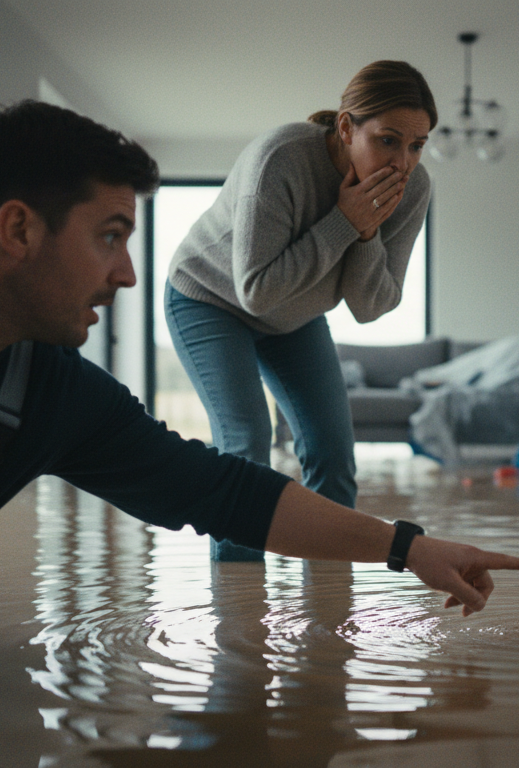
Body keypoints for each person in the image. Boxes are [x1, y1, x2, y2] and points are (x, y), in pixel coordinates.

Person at [0, 100, 519, 656]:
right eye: (110, 236)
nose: (127, 275)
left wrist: (407, 547)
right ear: (18, 228)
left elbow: (225, 492)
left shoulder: (53, 396)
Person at [165, 61, 433, 561]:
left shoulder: (412, 189)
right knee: (247, 442)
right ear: (347, 127)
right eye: (389, 140)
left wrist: (367, 230)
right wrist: (344, 220)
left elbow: (370, 307)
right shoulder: (280, 159)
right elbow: (256, 293)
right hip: (210, 298)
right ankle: (240, 602)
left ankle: (330, 598)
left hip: (296, 316)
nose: (403, 163)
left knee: (333, 454)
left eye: (417, 145)